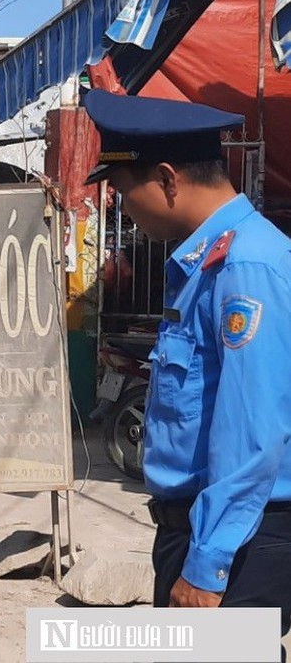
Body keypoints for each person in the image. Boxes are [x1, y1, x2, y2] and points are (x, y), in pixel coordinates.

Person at [84, 90, 291, 656]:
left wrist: (209, 564)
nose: (124, 211)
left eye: (125, 195)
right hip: (199, 526)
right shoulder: (205, 262)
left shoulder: (245, 266)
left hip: (242, 535)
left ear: (169, 179)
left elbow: (253, 435)